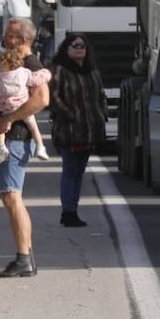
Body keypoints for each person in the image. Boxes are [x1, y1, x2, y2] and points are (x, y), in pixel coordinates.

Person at [0, 17, 51, 278]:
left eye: (10, 35)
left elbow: (42, 99)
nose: (5, 39)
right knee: (11, 196)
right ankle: (26, 256)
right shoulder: (16, 63)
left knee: (12, 196)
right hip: (14, 135)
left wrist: (9, 118)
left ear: (24, 40)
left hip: (16, 137)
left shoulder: (29, 63)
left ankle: (23, 258)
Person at [48, 33, 107, 228]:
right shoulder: (60, 70)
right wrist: (71, 115)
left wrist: (102, 114)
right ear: (67, 48)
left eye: (83, 45)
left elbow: (101, 95)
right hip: (69, 130)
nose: (79, 48)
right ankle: (68, 211)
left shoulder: (92, 71)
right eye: (75, 45)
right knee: (70, 170)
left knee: (80, 171)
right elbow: (54, 97)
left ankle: (73, 208)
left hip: (90, 130)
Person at [0, 46, 52, 165]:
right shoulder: (23, 73)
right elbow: (35, 79)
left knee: (0, 130)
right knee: (34, 128)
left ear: (6, 64)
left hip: (7, 109)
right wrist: (46, 73)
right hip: (23, 107)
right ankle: (40, 147)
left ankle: (1, 147)